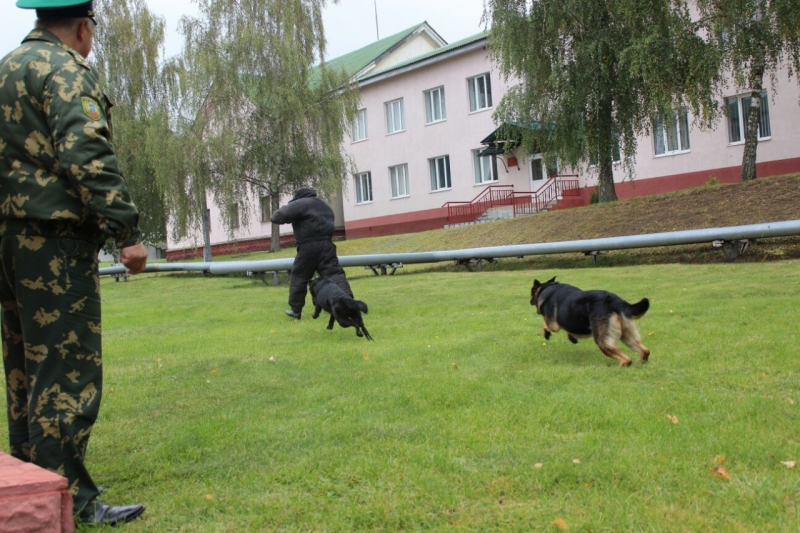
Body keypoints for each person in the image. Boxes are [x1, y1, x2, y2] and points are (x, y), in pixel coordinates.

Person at [1, 0, 147, 526]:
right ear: (84, 26)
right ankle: (73, 500)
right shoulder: (63, 69)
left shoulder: (7, 68)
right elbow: (86, 153)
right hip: (54, 243)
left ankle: (32, 486)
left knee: (24, 368)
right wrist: (125, 232)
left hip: (9, 242)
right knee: (65, 368)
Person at [270, 188, 353, 319]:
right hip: (327, 244)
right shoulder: (324, 205)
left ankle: (296, 310)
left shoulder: (299, 203)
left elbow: (276, 217)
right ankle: (348, 302)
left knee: (299, 276)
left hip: (308, 245)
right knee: (334, 274)